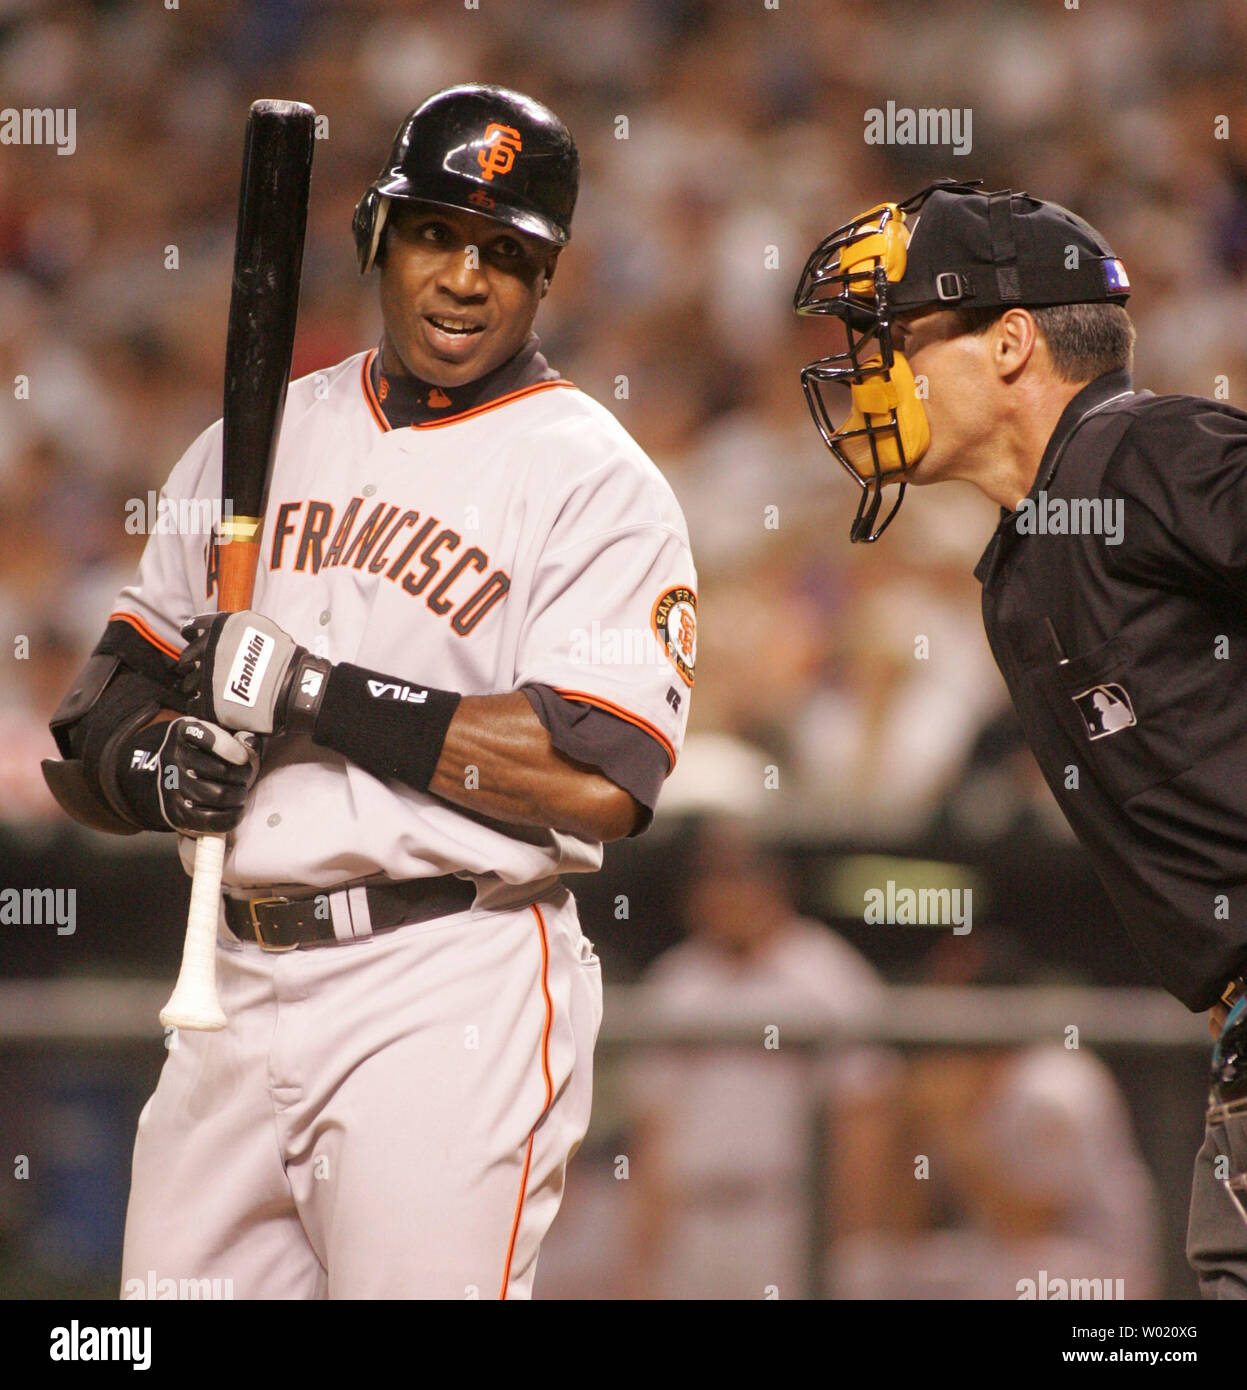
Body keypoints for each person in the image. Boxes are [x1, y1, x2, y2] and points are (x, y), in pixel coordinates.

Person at [40, 84, 697, 1300]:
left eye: (507, 253)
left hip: (447, 974)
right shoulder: (256, 436)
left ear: (545, 281)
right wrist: (157, 768)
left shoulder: (593, 479)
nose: (464, 278)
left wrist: (317, 692)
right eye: (437, 234)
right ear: (375, 239)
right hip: (229, 980)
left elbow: (599, 777)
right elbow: (91, 724)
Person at [793, 178, 1247, 1297]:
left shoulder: (1143, 451)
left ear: (1007, 343)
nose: (871, 371)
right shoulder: (1021, 561)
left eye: (897, 338)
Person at [623, 816, 890, 1299]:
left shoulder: (830, 975)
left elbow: (863, 1123)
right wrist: (641, 1262)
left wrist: (851, 1243)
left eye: (737, 876)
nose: (721, 892)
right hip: (692, 1219)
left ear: (775, 883)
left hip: (788, 1216)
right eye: (708, 878)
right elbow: (653, 1137)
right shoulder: (676, 982)